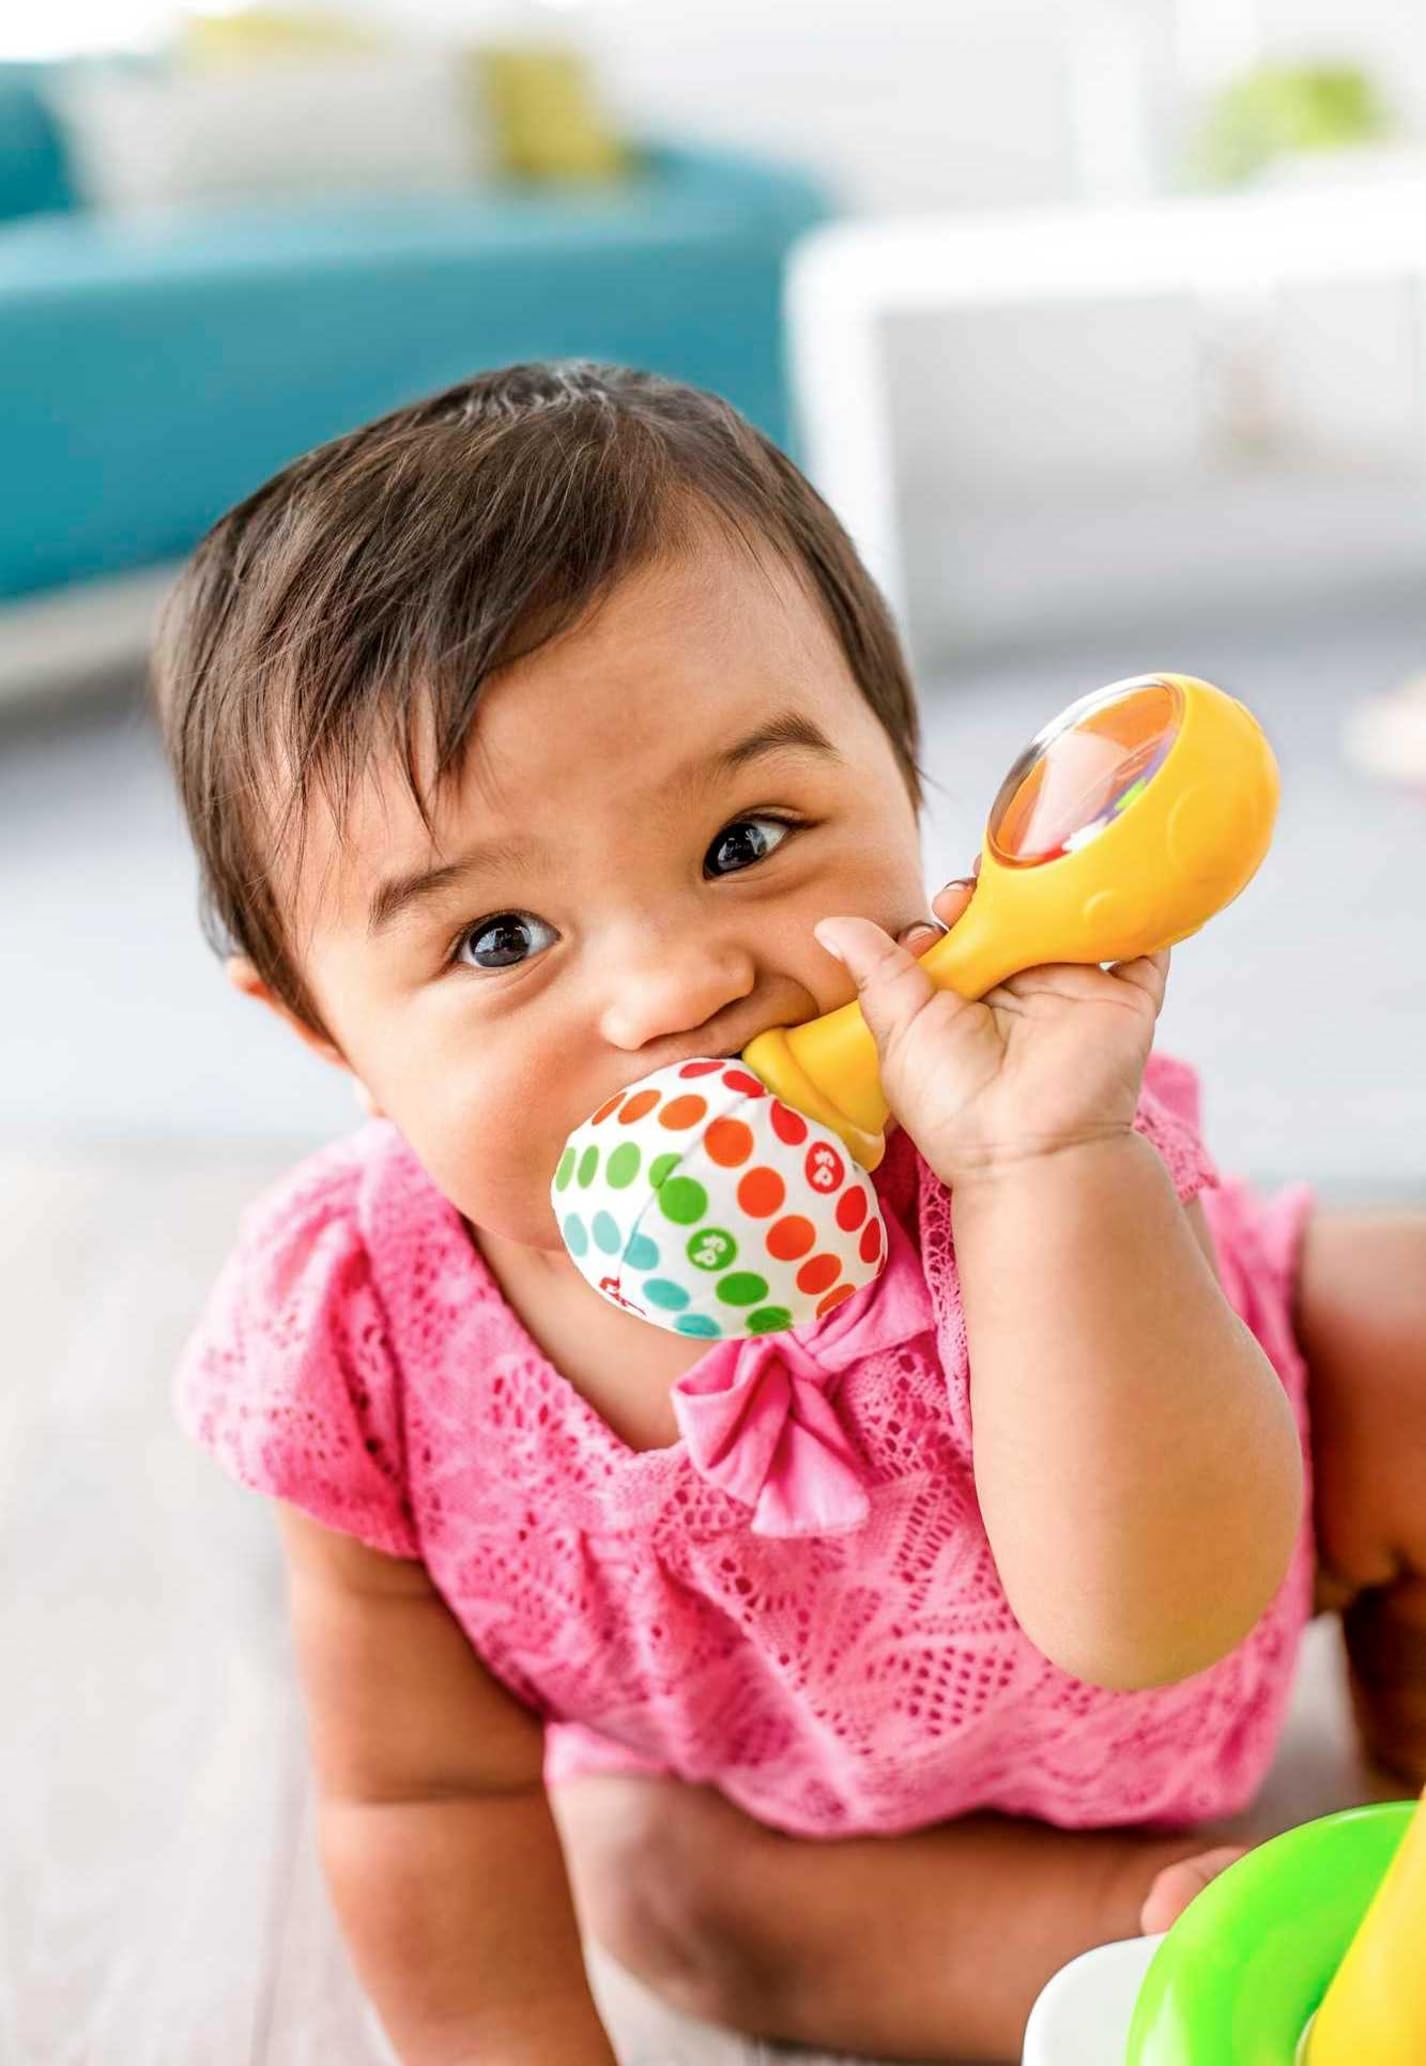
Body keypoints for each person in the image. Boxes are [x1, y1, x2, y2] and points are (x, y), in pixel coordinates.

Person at [154, 361, 1426, 2064]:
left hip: (1197, 1567)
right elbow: (422, 1797)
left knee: (1400, 1326)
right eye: (498, 942)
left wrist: (1042, 1173)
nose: (680, 985)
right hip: (784, 1816)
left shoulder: (1018, 1124)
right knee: (664, 1885)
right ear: (329, 1034)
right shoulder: (358, 1327)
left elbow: (1159, 1612)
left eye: (751, 836)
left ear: (901, 789)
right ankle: (1166, 1947)